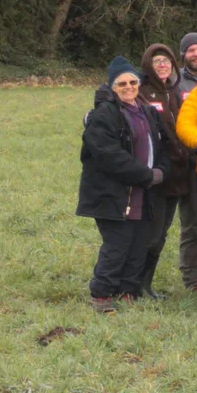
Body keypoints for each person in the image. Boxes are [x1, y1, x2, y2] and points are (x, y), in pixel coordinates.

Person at [77, 57, 168, 314]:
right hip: (113, 193)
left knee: (139, 242)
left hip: (143, 192)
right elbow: (109, 156)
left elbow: (161, 146)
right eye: (121, 83)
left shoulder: (147, 111)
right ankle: (102, 294)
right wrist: (145, 175)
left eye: (132, 82)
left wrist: (161, 170)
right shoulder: (103, 115)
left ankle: (128, 291)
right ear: (112, 86)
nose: (128, 87)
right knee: (118, 244)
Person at [136, 43, 190, 300]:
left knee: (162, 233)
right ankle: (134, 284)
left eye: (166, 61)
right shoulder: (141, 91)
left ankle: (145, 284)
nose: (162, 65)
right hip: (154, 174)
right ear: (148, 64)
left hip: (177, 175)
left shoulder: (176, 92)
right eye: (157, 61)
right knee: (150, 233)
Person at [173, 33, 197, 292]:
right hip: (187, 163)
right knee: (193, 225)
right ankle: (192, 280)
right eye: (191, 50)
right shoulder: (175, 82)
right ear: (183, 55)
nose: (196, 54)